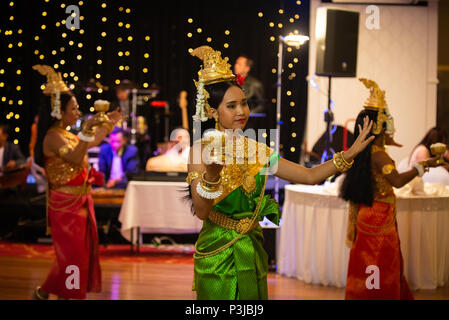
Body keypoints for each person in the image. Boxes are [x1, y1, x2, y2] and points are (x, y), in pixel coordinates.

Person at [187, 46, 374, 300]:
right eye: (232, 106)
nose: (241, 111)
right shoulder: (200, 151)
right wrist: (211, 175)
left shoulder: (257, 150)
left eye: (244, 103)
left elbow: (309, 176)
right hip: (216, 252)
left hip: (252, 249)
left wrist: (348, 154)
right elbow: (202, 212)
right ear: (212, 111)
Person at [339, 78, 446, 300]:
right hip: (379, 217)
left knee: (366, 264)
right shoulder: (379, 154)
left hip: (366, 213)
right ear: (378, 126)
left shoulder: (363, 152)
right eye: (386, 122)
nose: (390, 127)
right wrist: (421, 167)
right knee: (381, 265)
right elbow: (396, 181)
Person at [32, 64, 123, 300]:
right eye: (73, 108)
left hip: (80, 201)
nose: (77, 111)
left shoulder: (68, 134)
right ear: (58, 111)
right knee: (72, 255)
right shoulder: (52, 137)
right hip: (65, 205)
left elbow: (90, 143)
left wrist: (107, 123)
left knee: (79, 254)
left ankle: (48, 293)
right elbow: (74, 155)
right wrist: (88, 129)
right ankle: (65, 294)